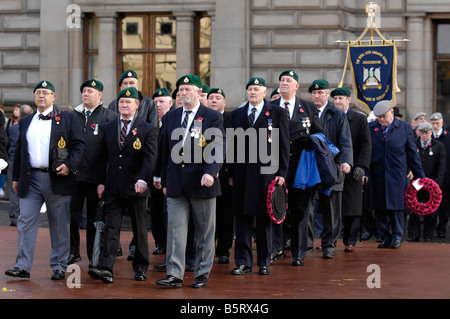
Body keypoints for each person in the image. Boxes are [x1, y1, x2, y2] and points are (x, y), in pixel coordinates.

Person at [5, 80, 85, 280]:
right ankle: (22, 265)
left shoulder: (67, 118)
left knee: (59, 223)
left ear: (53, 97)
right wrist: (16, 178)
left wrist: (70, 166)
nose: (41, 95)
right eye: (38, 92)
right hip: (30, 178)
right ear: (34, 97)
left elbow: (79, 146)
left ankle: (59, 265)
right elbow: (20, 151)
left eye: (46, 92)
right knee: (25, 221)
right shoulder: (25, 121)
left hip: (57, 177)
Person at [156, 75, 224, 288]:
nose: (183, 93)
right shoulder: (171, 117)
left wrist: (211, 173)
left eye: (188, 89)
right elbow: (164, 151)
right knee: (175, 231)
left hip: (202, 182)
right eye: (180, 89)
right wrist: (162, 179)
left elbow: (217, 147)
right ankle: (174, 274)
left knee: (204, 232)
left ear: (198, 92)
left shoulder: (212, 117)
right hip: (176, 184)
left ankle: (202, 273)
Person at [88, 86, 158, 283]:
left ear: (137, 105)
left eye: (128, 102)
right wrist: (101, 182)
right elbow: (101, 158)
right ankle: (106, 268)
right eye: (121, 102)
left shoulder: (147, 129)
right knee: (111, 227)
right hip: (113, 185)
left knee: (139, 228)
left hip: (137, 185)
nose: (124, 105)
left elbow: (150, 158)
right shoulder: (109, 127)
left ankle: (141, 267)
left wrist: (143, 179)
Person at [230, 77, 289, 275]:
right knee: (243, 220)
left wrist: (281, 173)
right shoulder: (237, 114)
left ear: (265, 92)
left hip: (266, 174)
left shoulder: (277, 113)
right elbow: (232, 145)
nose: (252, 92)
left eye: (256, 89)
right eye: (250, 89)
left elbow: (283, 145)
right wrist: (231, 172)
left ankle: (264, 261)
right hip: (242, 175)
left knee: (264, 221)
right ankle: (243, 262)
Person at [269, 70, 323, 266]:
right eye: (281, 80)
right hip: (275, 168)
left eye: (288, 80)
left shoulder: (308, 108)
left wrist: (312, 141)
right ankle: (274, 249)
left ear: (296, 86)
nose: (284, 83)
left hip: (301, 168)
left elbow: (320, 134)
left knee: (300, 211)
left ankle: (298, 252)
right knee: (275, 210)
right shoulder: (270, 106)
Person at [69, 79, 117, 266]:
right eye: (84, 91)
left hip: (96, 178)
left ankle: (93, 257)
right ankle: (72, 253)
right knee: (71, 218)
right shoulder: (72, 116)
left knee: (94, 220)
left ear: (100, 95)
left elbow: (112, 152)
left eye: (90, 91)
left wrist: (104, 178)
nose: (86, 94)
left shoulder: (109, 117)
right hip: (73, 177)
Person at [369, 100, 425, 249]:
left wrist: (421, 177)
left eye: (384, 116)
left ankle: (397, 236)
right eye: (378, 117)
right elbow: (367, 152)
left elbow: (412, 154)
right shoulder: (371, 128)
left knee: (397, 207)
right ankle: (384, 236)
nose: (381, 120)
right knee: (380, 207)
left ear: (392, 113)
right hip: (378, 174)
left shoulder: (404, 128)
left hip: (397, 175)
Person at [309, 79, 353, 258]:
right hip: (310, 166)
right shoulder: (306, 112)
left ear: (328, 95)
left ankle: (329, 245)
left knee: (332, 209)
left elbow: (345, 141)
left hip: (332, 166)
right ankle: (306, 244)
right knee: (308, 207)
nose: (317, 96)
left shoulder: (337, 114)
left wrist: (346, 162)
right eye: (314, 93)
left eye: (320, 93)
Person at [331, 87, 371, 252]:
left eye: (341, 98)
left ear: (349, 100)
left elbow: (366, 145)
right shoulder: (329, 117)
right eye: (335, 99)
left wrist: (362, 166)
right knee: (332, 207)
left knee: (352, 207)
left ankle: (350, 240)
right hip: (333, 169)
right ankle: (331, 239)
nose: (338, 101)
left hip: (353, 170)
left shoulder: (360, 120)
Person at [207, 87, 233, 264]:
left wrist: (232, 174)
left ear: (225, 102)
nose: (214, 101)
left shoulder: (231, 119)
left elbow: (234, 148)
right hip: (206, 174)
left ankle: (223, 249)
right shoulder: (203, 118)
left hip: (225, 175)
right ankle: (207, 249)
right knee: (207, 215)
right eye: (211, 98)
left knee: (225, 214)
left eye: (218, 98)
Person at [407, 122, 446, 241]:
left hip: (432, 183)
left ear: (431, 133)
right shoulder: (413, 144)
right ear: (419, 133)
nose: (425, 135)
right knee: (414, 210)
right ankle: (414, 234)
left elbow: (441, 167)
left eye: (427, 133)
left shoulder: (438, 146)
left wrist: (437, 184)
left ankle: (428, 235)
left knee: (431, 211)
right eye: (423, 133)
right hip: (416, 183)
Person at [7, 104, 33, 226]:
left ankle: (14, 216)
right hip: (26, 162)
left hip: (13, 159)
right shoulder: (31, 127)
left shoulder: (13, 128)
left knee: (14, 189)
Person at [430, 112, 450, 238]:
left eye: (437, 123)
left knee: (445, 207)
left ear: (442, 123)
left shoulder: (448, 138)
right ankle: (429, 231)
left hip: (447, 178)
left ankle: (441, 229)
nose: (435, 126)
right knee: (431, 207)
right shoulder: (427, 137)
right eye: (433, 123)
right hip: (431, 178)